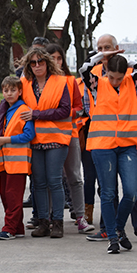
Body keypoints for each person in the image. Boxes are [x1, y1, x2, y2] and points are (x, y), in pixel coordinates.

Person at [83, 34, 137, 244]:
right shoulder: (97, 79)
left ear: (116, 49)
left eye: (107, 48)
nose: (103, 51)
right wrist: (101, 56)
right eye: (100, 48)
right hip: (103, 144)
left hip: (129, 143)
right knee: (107, 191)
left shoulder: (130, 79)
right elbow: (84, 73)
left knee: (134, 188)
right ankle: (112, 231)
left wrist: (124, 61)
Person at [20, 47, 72, 238]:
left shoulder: (60, 82)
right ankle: (42, 222)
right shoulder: (24, 83)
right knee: (38, 183)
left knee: (54, 180)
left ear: (47, 63)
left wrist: (37, 114)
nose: (37, 65)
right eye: (33, 63)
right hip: (33, 140)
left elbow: (64, 110)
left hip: (56, 139)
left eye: (40, 62)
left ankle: (57, 222)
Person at [45, 44, 95, 234]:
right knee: (50, 178)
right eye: (52, 58)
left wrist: (64, 113)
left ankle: (80, 217)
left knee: (74, 176)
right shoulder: (39, 82)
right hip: (47, 136)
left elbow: (78, 107)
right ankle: (48, 216)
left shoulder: (69, 81)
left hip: (69, 133)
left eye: (59, 58)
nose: (56, 62)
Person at [0, 76, 35, 240]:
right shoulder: (5, 110)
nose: (9, 93)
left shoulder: (23, 110)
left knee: (13, 195)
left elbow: (29, 135)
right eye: (6, 90)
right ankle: (17, 227)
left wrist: (5, 140)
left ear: (20, 92)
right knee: (4, 193)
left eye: (13, 90)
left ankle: (9, 228)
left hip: (18, 161)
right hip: (5, 160)